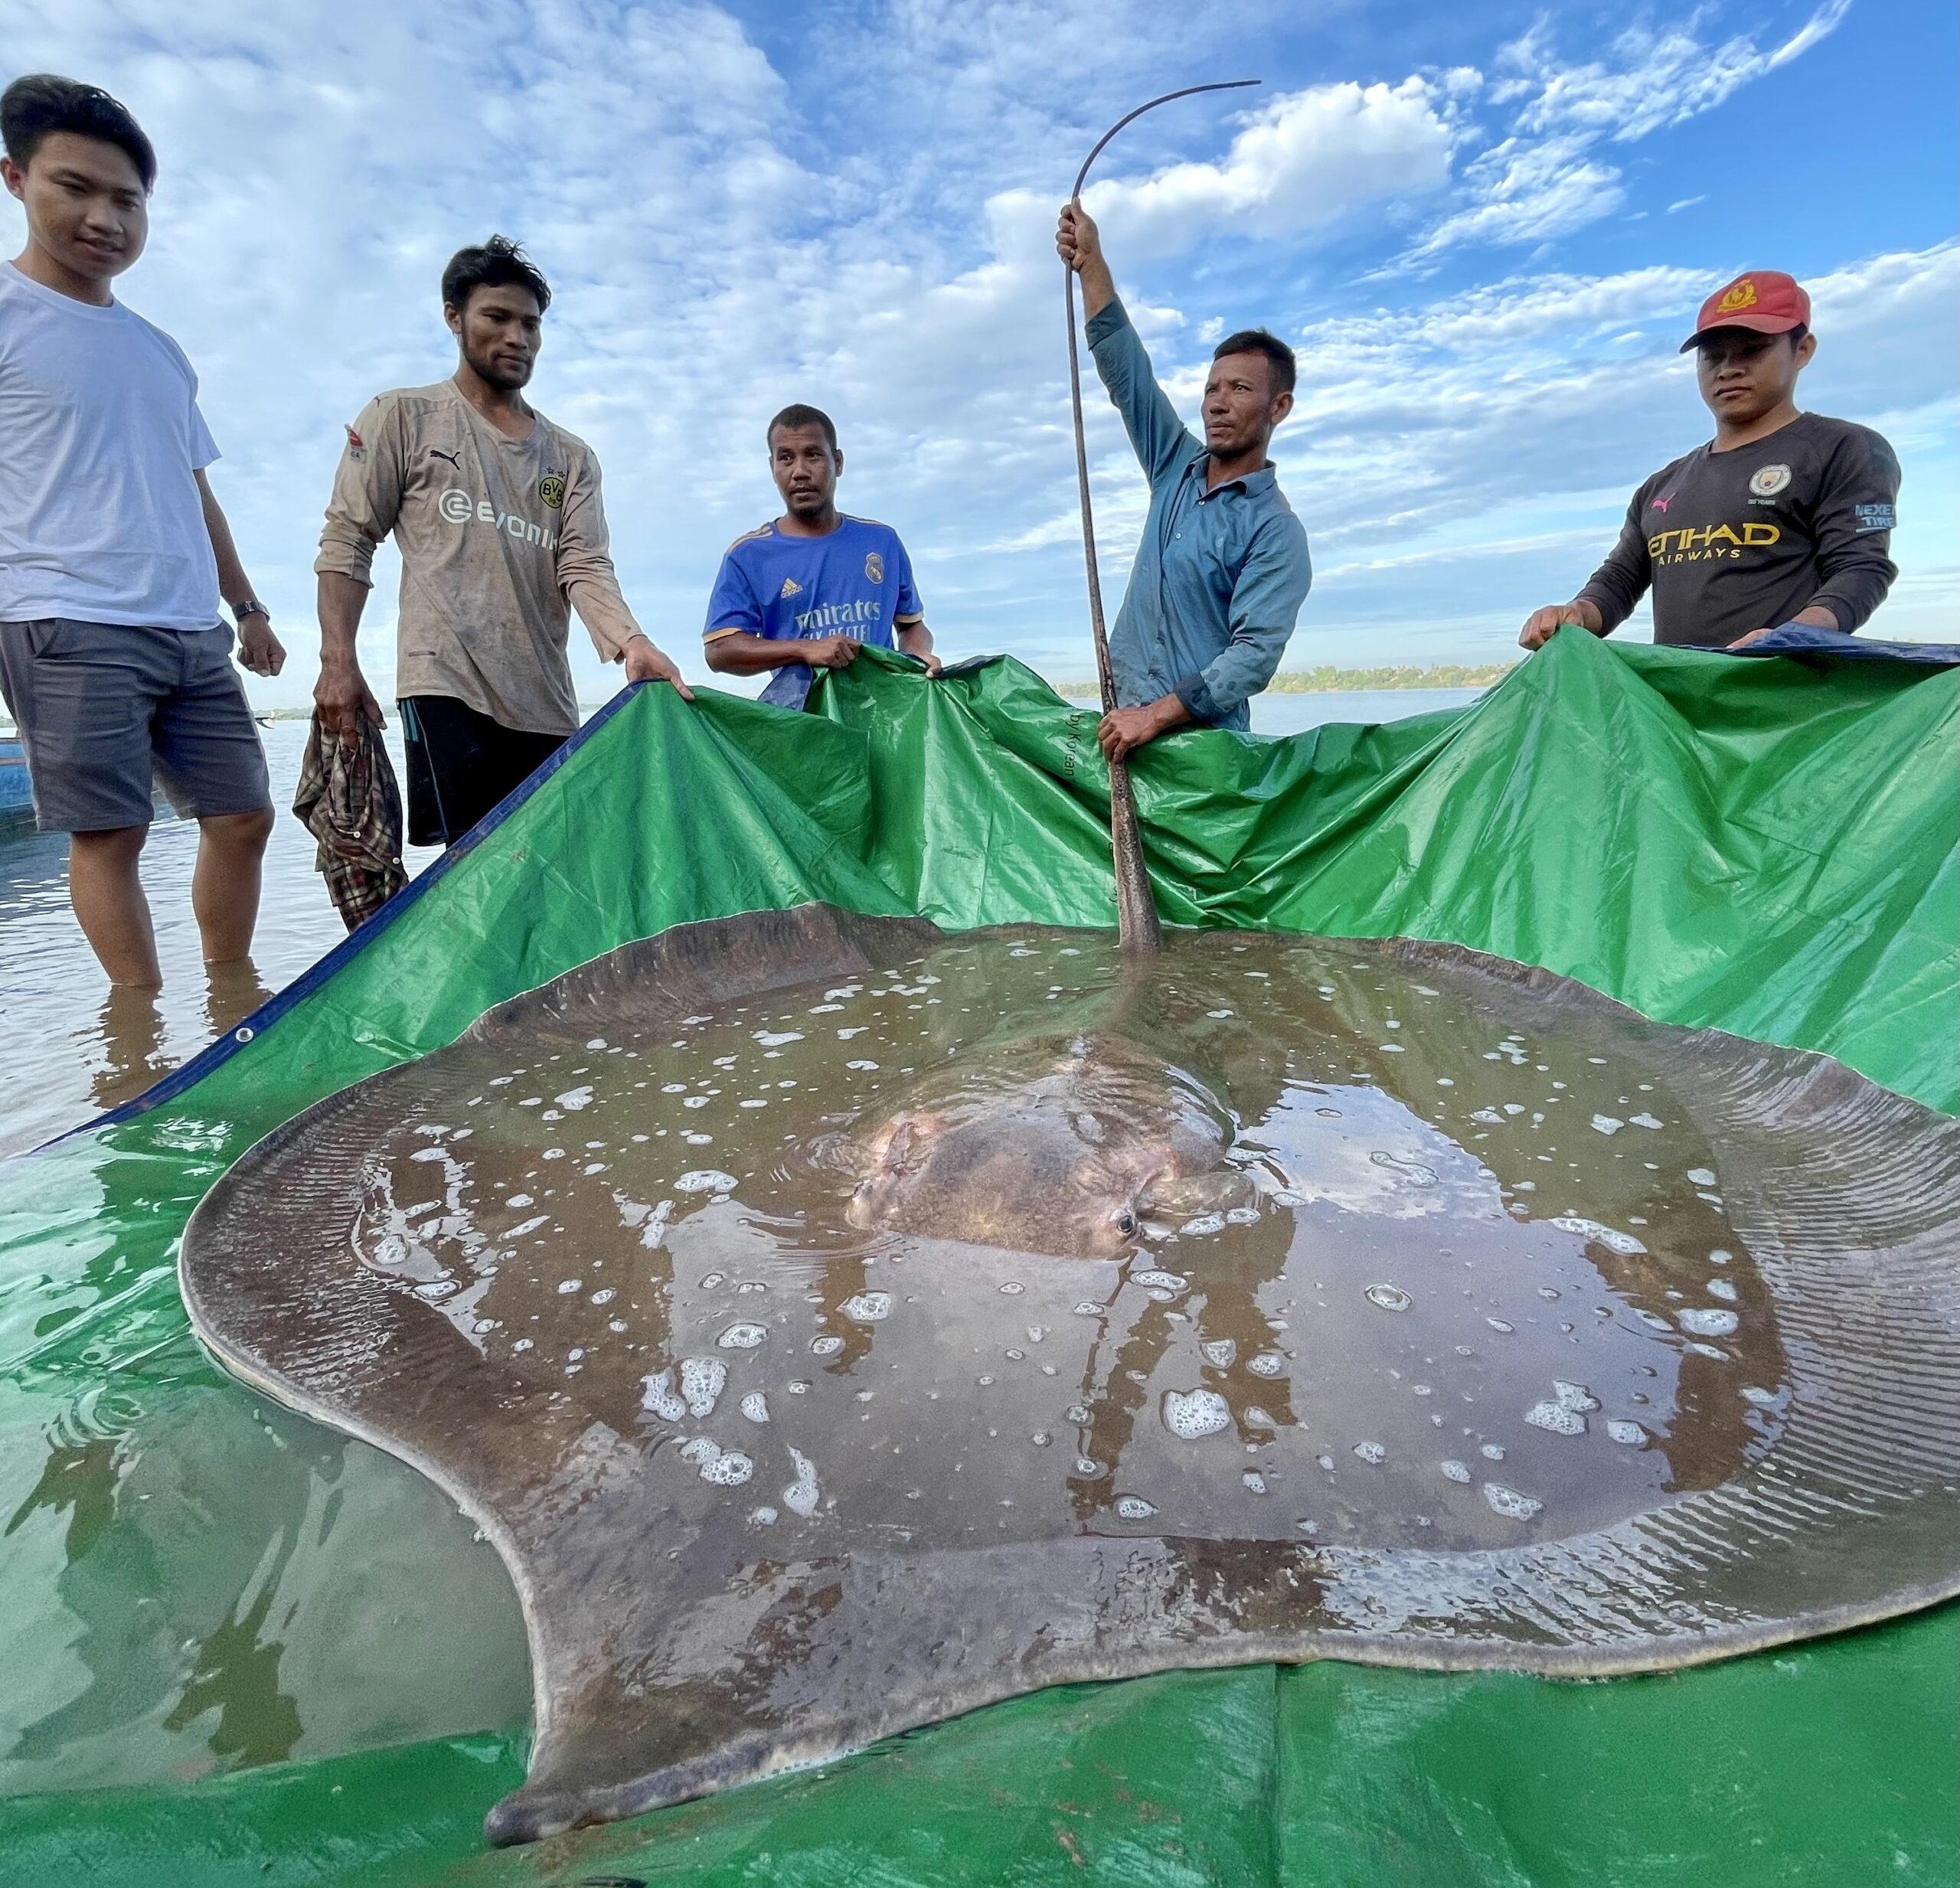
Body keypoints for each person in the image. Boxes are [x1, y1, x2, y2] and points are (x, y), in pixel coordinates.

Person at [0, 73, 283, 989]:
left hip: (187, 624)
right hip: (62, 615)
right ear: (15, 179)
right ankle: (141, 1026)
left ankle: (230, 996)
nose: (104, 218)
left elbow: (195, 490)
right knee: (112, 833)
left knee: (242, 816)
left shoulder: (162, 351)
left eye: (125, 199)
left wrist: (246, 608)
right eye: (74, 188)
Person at [313, 236, 690, 848]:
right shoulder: (403, 417)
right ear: (454, 316)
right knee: (472, 868)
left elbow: (585, 564)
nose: (517, 337)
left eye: (531, 325)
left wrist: (632, 644)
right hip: (444, 682)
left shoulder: (571, 457)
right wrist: (338, 663)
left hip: (544, 700)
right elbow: (348, 539)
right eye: (497, 318)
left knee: (554, 866)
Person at [1520, 271, 1900, 654]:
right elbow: (1617, 583)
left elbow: (1860, 569)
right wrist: (1575, 613)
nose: (1728, 368)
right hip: (1679, 698)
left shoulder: (1845, 448)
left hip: (1789, 694)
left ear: (1801, 350)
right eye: (1713, 356)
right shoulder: (1660, 486)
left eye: (1753, 349)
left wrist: (1796, 636)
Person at [1055, 201, 1312, 763]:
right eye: (1212, 389)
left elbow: (1253, 656)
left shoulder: (1275, 531)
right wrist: (1091, 263)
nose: (1218, 404)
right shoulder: (1174, 465)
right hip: (1119, 733)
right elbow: (1128, 373)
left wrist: (1157, 715)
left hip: (1203, 754)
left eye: (1240, 390)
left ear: (1280, 406)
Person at [702, 403, 936, 708]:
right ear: (772, 467)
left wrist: (917, 656)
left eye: (813, 455)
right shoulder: (748, 556)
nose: (799, 472)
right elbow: (719, 650)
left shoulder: (882, 541)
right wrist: (804, 649)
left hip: (887, 716)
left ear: (837, 462)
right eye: (786, 458)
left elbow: (911, 624)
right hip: (806, 727)